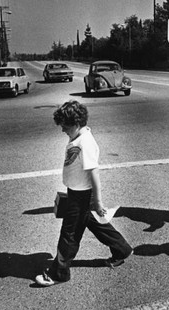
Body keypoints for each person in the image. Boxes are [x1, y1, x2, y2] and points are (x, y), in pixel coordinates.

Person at [35, 100, 133, 287]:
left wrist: (97, 201)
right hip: (75, 192)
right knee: (95, 224)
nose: (63, 130)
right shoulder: (77, 138)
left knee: (69, 234)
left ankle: (59, 272)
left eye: (65, 126)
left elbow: (94, 173)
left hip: (82, 196)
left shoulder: (86, 142)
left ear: (77, 123)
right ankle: (122, 249)